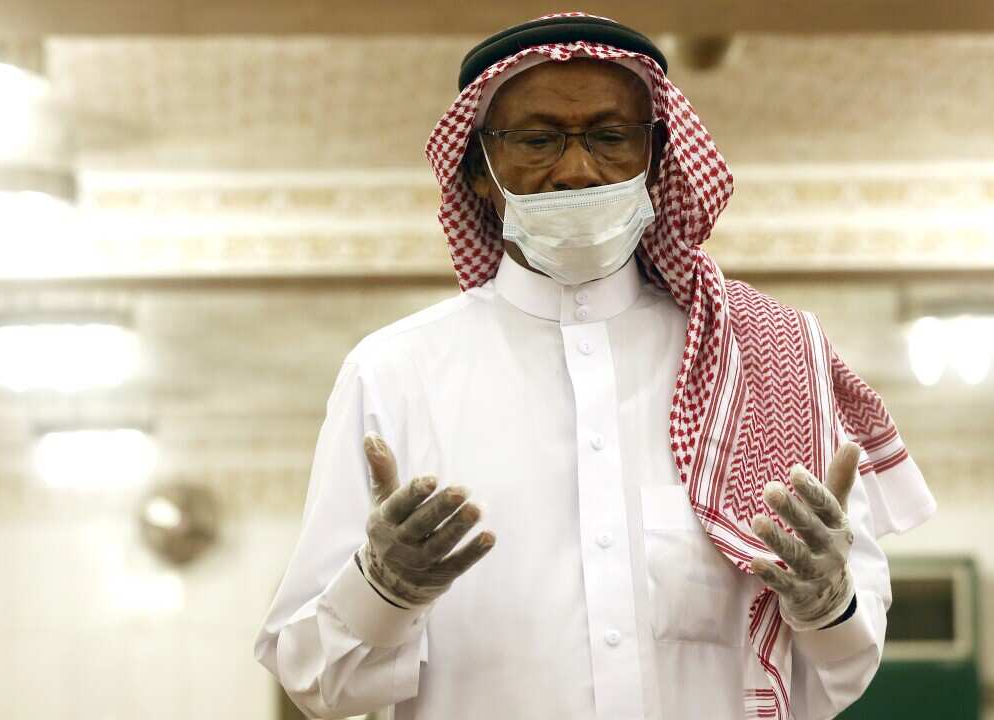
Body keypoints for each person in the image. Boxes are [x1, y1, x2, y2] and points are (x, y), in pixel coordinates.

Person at [255, 12, 936, 720]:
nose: (578, 169)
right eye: (538, 139)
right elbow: (316, 681)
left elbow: (846, 669)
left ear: (657, 161)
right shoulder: (394, 373)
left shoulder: (761, 359)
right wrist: (383, 588)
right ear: (478, 172)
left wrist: (828, 605)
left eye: (611, 138)